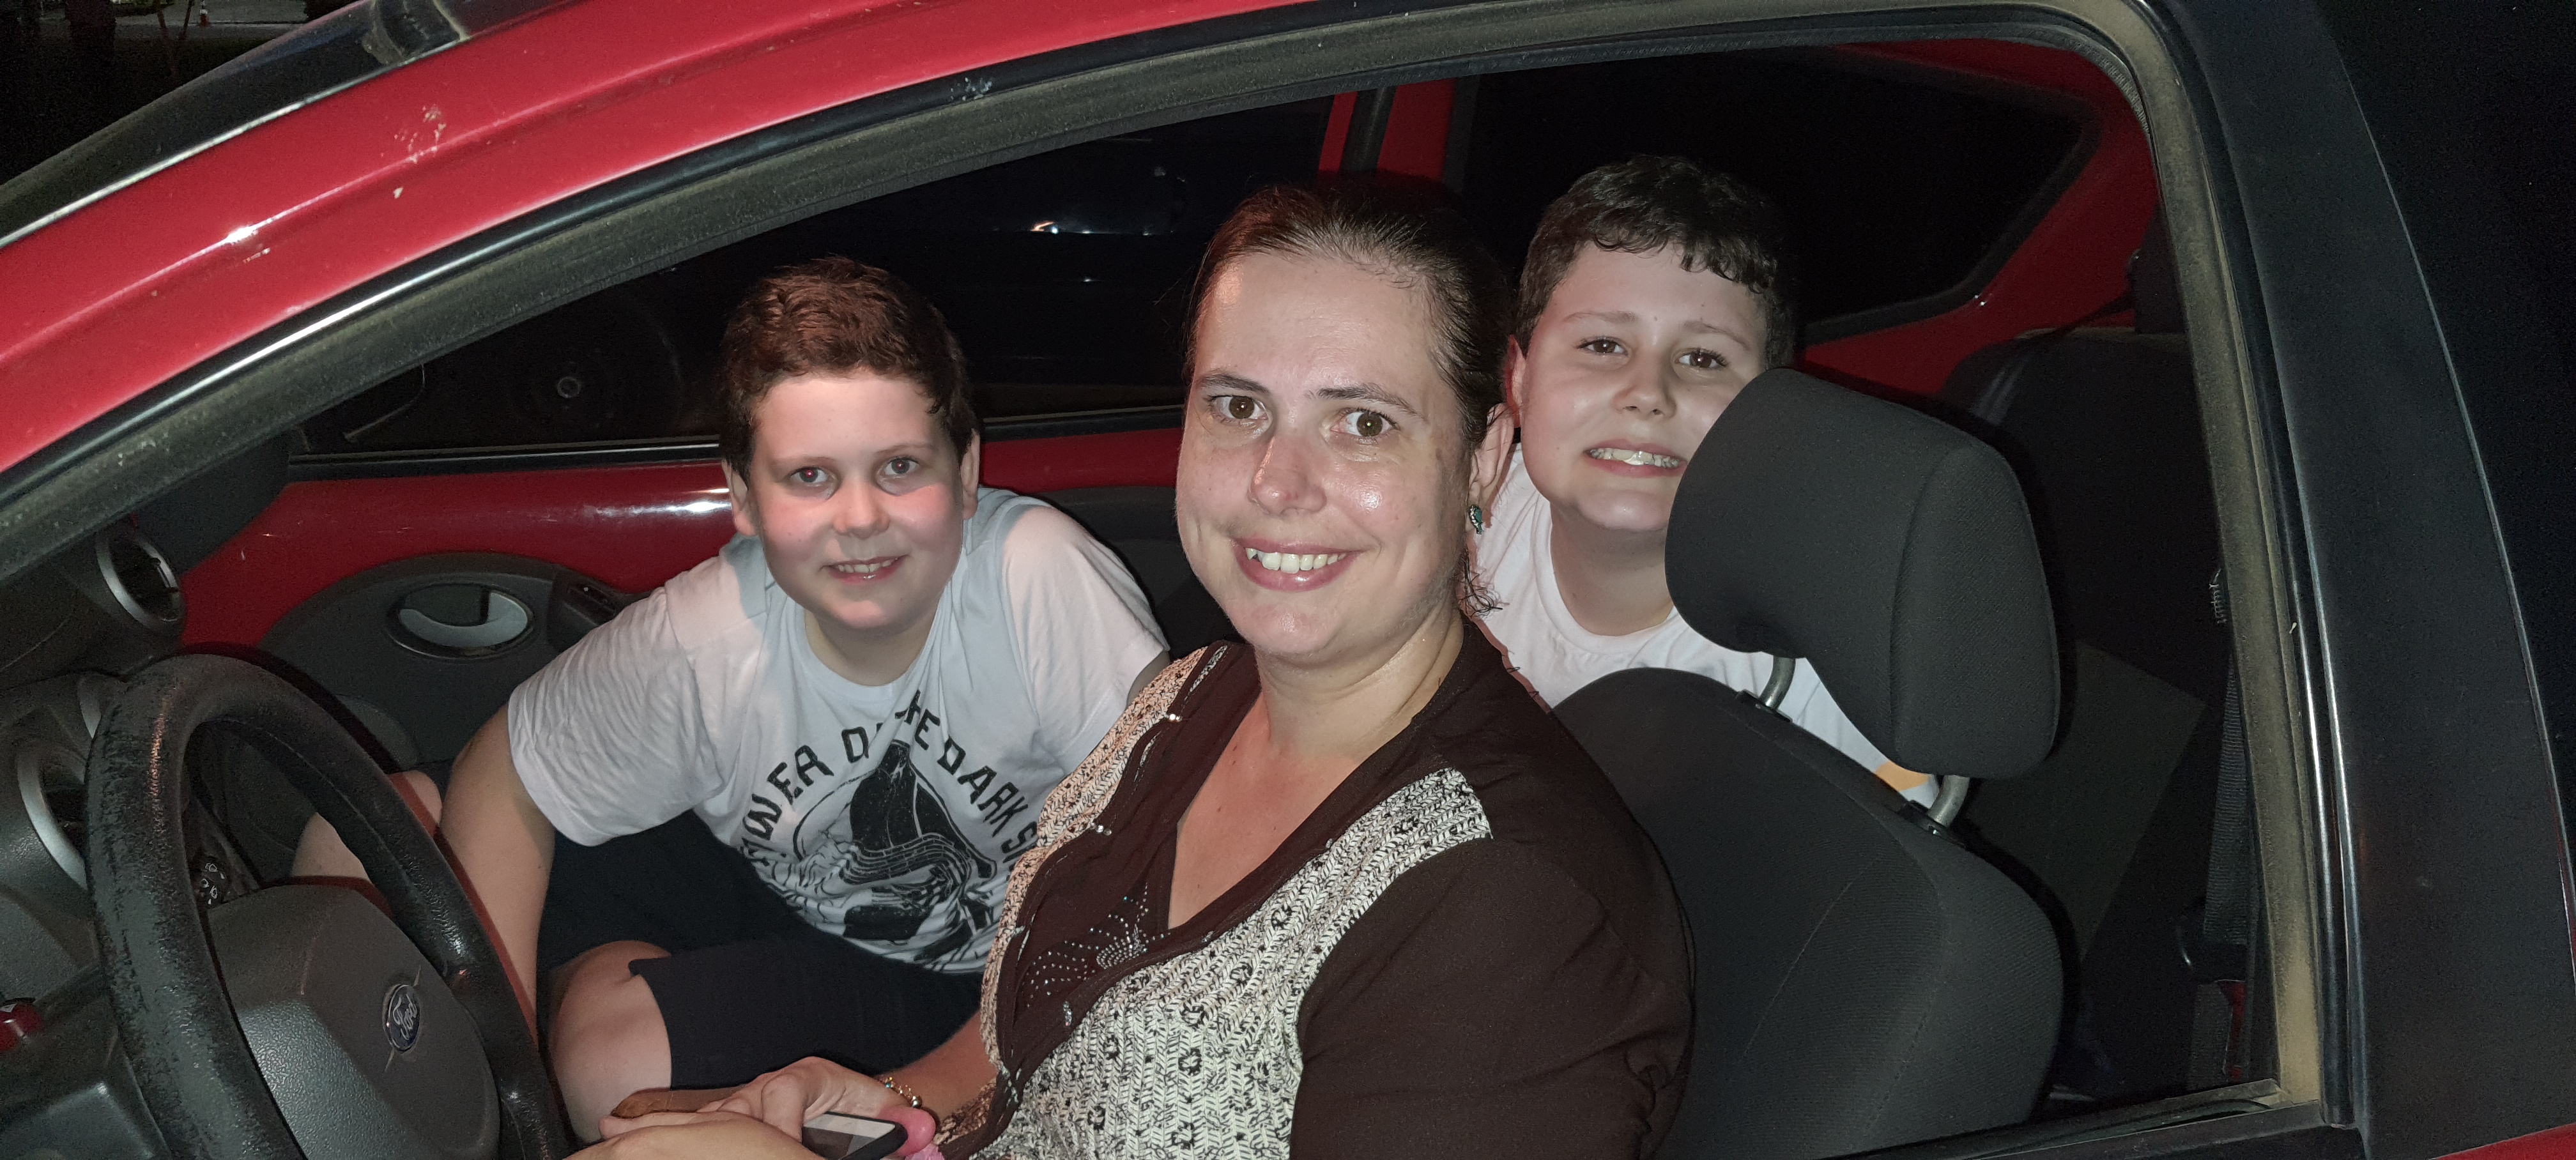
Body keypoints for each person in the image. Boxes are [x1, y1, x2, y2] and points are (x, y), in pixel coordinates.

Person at [576, 183, 1692, 1159]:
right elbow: (1029, 1045)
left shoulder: (1509, 916)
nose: (1275, 482)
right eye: (1238, 406)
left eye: (1362, 421)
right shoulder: (1192, 699)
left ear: (1483, 455)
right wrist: (889, 1102)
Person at [299, 257, 1168, 1136]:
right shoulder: (710, 634)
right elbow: (508, 769)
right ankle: (569, 998)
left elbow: (1172, 866)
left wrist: (927, 1093)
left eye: (901, 466)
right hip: (763, 871)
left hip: (956, 965)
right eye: (810, 477)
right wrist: (503, 1063)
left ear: (968, 470)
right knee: (360, 832)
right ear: (744, 498)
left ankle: (595, 996)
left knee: (612, 1069)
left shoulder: (1036, 582)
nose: (860, 518)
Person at [1476, 155, 1935, 803]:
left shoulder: (1815, 672)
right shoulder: (1462, 516)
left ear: (1772, 412)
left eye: (1703, 358)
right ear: (1520, 379)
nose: (1647, 393)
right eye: (1602, 345)